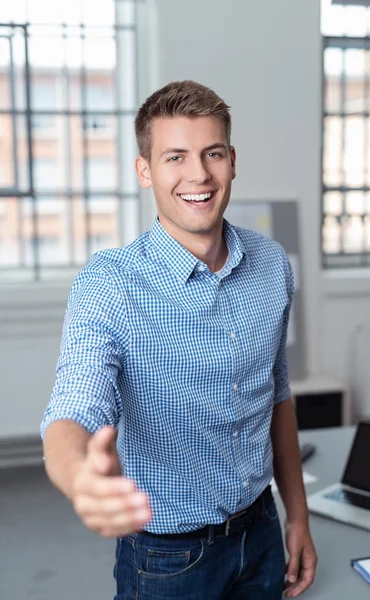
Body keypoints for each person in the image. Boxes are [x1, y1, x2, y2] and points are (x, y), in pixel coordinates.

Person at [41, 80, 317, 600]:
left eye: (212, 153)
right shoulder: (110, 284)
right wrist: (80, 476)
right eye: (175, 157)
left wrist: (296, 514)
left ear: (232, 160)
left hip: (261, 534)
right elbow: (74, 403)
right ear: (145, 171)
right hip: (168, 559)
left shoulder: (272, 266)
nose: (198, 175)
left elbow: (276, 394)